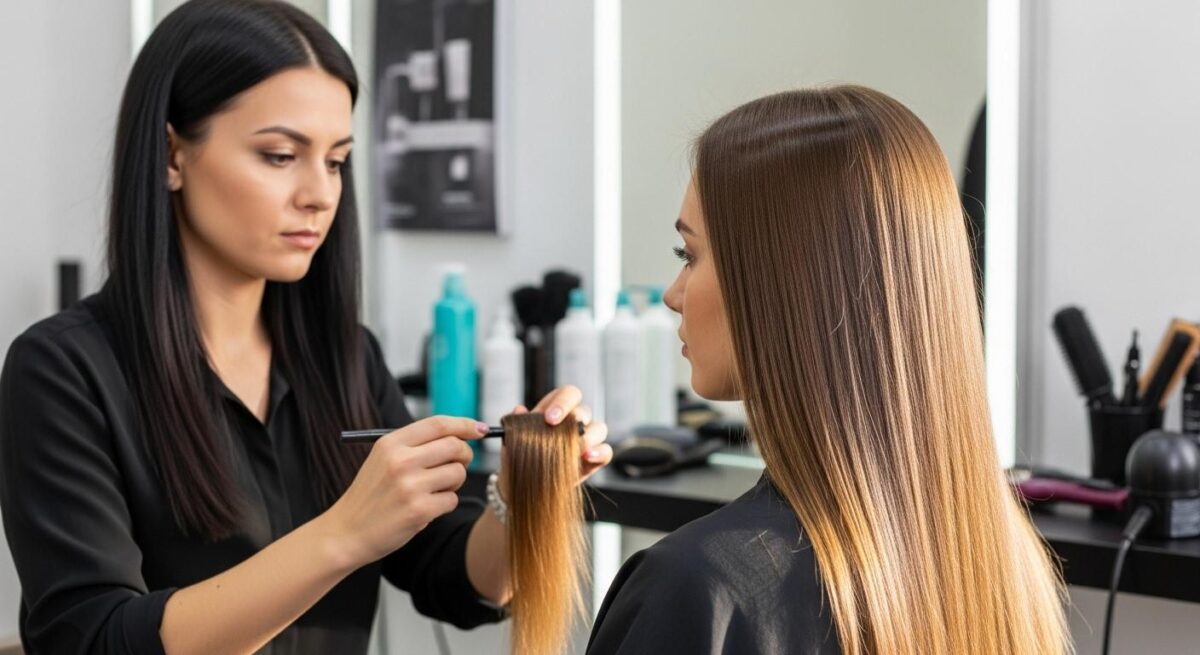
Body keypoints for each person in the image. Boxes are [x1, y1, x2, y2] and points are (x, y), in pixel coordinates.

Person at [0, 1, 611, 653]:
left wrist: (523, 498)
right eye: (280, 155)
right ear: (172, 155)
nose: (320, 194)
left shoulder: (344, 357)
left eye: (336, 161)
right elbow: (93, 638)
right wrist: (345, 532)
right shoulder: (64, 372)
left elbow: (449, 573)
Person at [587, 86, 1069, 655]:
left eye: (689, 256)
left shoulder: (697, 591)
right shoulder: (1004, 564)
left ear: (782, 286)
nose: (674, 295)